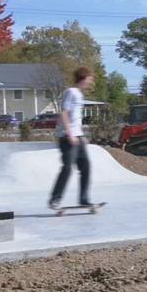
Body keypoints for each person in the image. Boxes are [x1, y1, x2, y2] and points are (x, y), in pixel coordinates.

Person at [48, 67, 95, 210]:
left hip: (78, 137)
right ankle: (55, 200)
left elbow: (76, 119)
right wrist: (70, 133)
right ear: (83, 78)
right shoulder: (71, 92)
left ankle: (84, 199)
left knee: (85, 167)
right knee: (67, 168)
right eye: (89, 79)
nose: (90, 82)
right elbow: (64, 113)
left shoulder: (79, 95)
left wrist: (81, 135)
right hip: (67, 137)